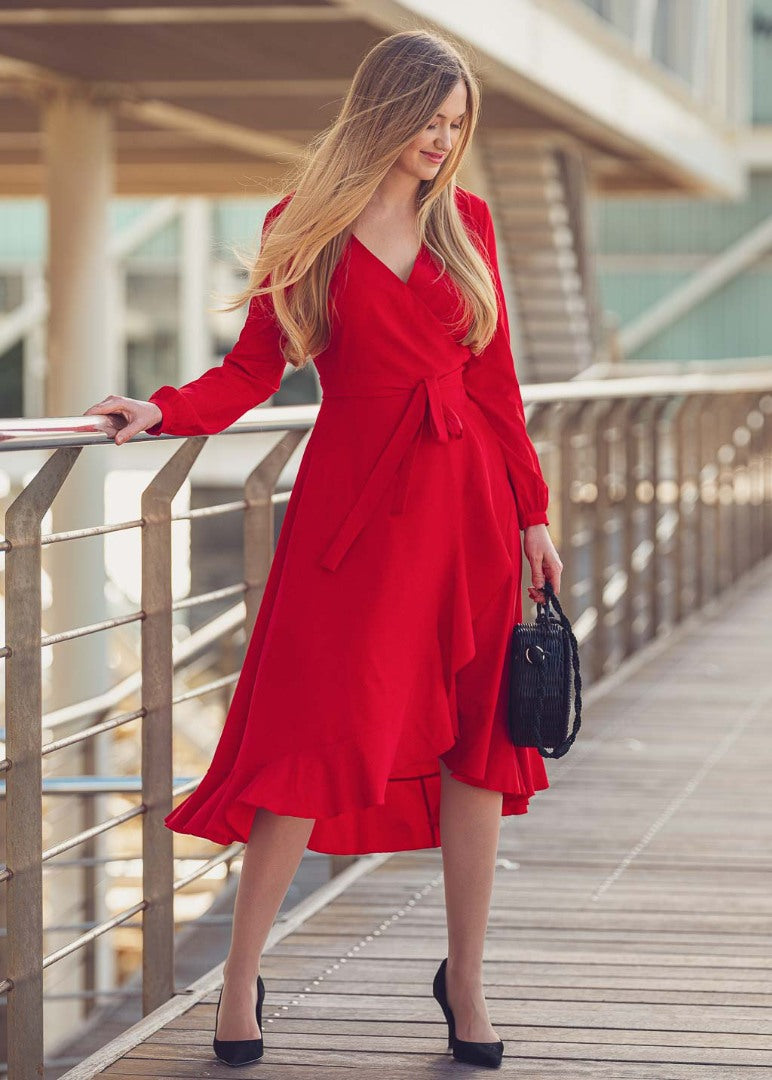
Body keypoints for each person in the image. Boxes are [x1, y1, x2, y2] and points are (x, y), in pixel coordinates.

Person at [84, 28, 563, 1070]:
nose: (442, 143)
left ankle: (466, 981)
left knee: (474, 749)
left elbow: (495, 387)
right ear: (385, 111)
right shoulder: (301, 226)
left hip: (470, 510)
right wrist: (161, 412)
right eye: (428, 122)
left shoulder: (466, 222)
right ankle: (240, 977)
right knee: (307, 736)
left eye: (454, 126)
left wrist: (531, 513)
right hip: (354, 516)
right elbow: (251, 370)